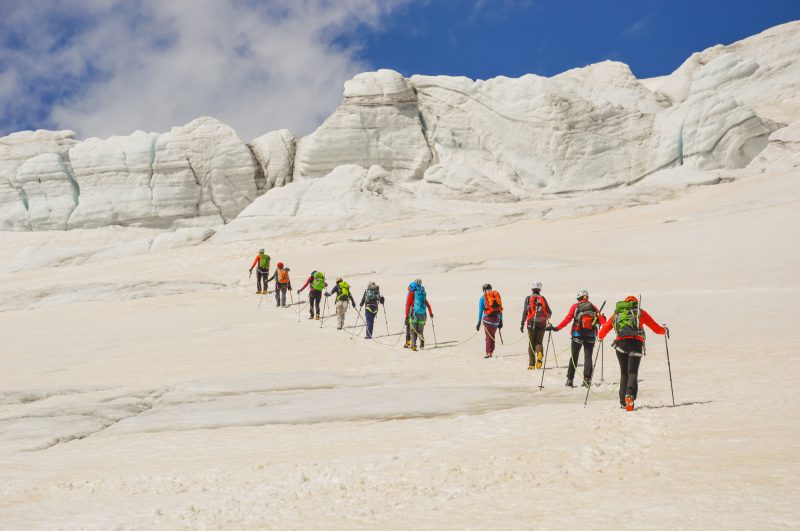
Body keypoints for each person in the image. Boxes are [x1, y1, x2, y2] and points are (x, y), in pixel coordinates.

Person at [598, 296, 668, 411]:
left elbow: (606, 328)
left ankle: (622, 402)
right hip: (635, 344)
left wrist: (600, 337)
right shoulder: (640, 312)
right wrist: (664, 330)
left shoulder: (618, 312)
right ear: (636, 303)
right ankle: (629, 396)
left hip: (620, 344)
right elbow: (656, 328)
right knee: (632, 372)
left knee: (624, 372)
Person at [548, 290, 606, 387]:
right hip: (590, 335)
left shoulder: (575, 306)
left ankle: (570, 380)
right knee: (588, 357)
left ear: (579, 298)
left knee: (574, 357)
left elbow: (568, 319)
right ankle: (587, 380)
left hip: (577, 334)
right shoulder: (593, 307)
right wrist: (603, 318)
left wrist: (557, 328)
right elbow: (603, 322)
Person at [520, 281, 552, 370]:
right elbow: (549, 312)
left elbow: (525, 312)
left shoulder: (528, 298)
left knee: (531, 343)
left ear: (532, 289)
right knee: (539, 342)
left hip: (530, 322)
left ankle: (531, 365)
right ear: (540, 289)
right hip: (542, 323)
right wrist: (545, 318)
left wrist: (522, 323)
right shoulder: (543, 298)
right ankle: (539, 355)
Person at [405, 279, 433, 352]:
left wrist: (406, 316)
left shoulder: (411, 293)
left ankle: (413, 346)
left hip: (414, 313)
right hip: (423, 314)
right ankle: (422, 341)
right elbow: (427, 304)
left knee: (412, 331)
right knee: (420, 331)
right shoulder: (422, 293)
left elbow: (408, 305)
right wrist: (430, 313)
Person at [477, 284, 503, 358]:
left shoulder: (482, 298)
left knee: (488, 336)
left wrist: (479, 322)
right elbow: (500, 310)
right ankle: (491, 351)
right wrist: (501, 321)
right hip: (496, 320)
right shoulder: (496, 297)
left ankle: (488, 352)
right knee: (492, 335)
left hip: (487, 319)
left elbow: (480, 311)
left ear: (483, 290)